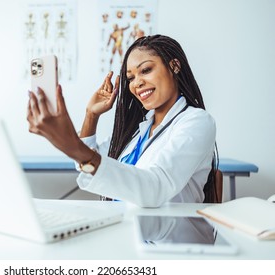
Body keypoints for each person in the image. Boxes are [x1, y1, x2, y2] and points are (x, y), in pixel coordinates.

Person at [27, 35, 218, 207]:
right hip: (125, 230)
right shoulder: (137, 133)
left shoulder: (197, 122)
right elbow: (86, 166)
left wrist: (73, 147)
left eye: (146, 70)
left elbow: (155, 188)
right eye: (130, 78)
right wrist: (91, 116)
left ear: (174, 66)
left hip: (165, 243)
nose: (136, 83)